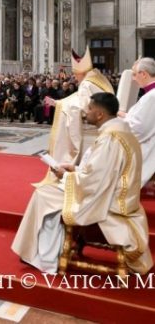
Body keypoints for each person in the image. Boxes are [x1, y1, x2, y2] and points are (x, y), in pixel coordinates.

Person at [12, 93, 153, 275]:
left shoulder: (110, 138)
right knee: (48, 193)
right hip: (114, 194)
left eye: (90, 108)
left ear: (100, 114)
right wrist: (75, 169)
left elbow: (95, 180)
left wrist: (66, 176)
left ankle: (45, 258)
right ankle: (44, 253)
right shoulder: (121, 131)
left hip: (108, 203)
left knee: (44, 195)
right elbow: (102, 172)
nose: (86, 112)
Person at [46, 46, 114, 164]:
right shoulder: (99, 79)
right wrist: (58, 102)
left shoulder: (86, 84)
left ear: (81, 72)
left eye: (75, 73)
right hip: (107, 122)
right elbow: (78, 98)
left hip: (93, 127)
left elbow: (82, 109)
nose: (74, 76)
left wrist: (59, 105)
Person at [118, 57, 155, 186]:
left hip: (148, 146)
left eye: (134, 74)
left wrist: (117, 124)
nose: (133, 79)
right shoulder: (150, 95)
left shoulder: (151, 96)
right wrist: (125, 116)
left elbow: (140, 129)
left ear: (143, 74)